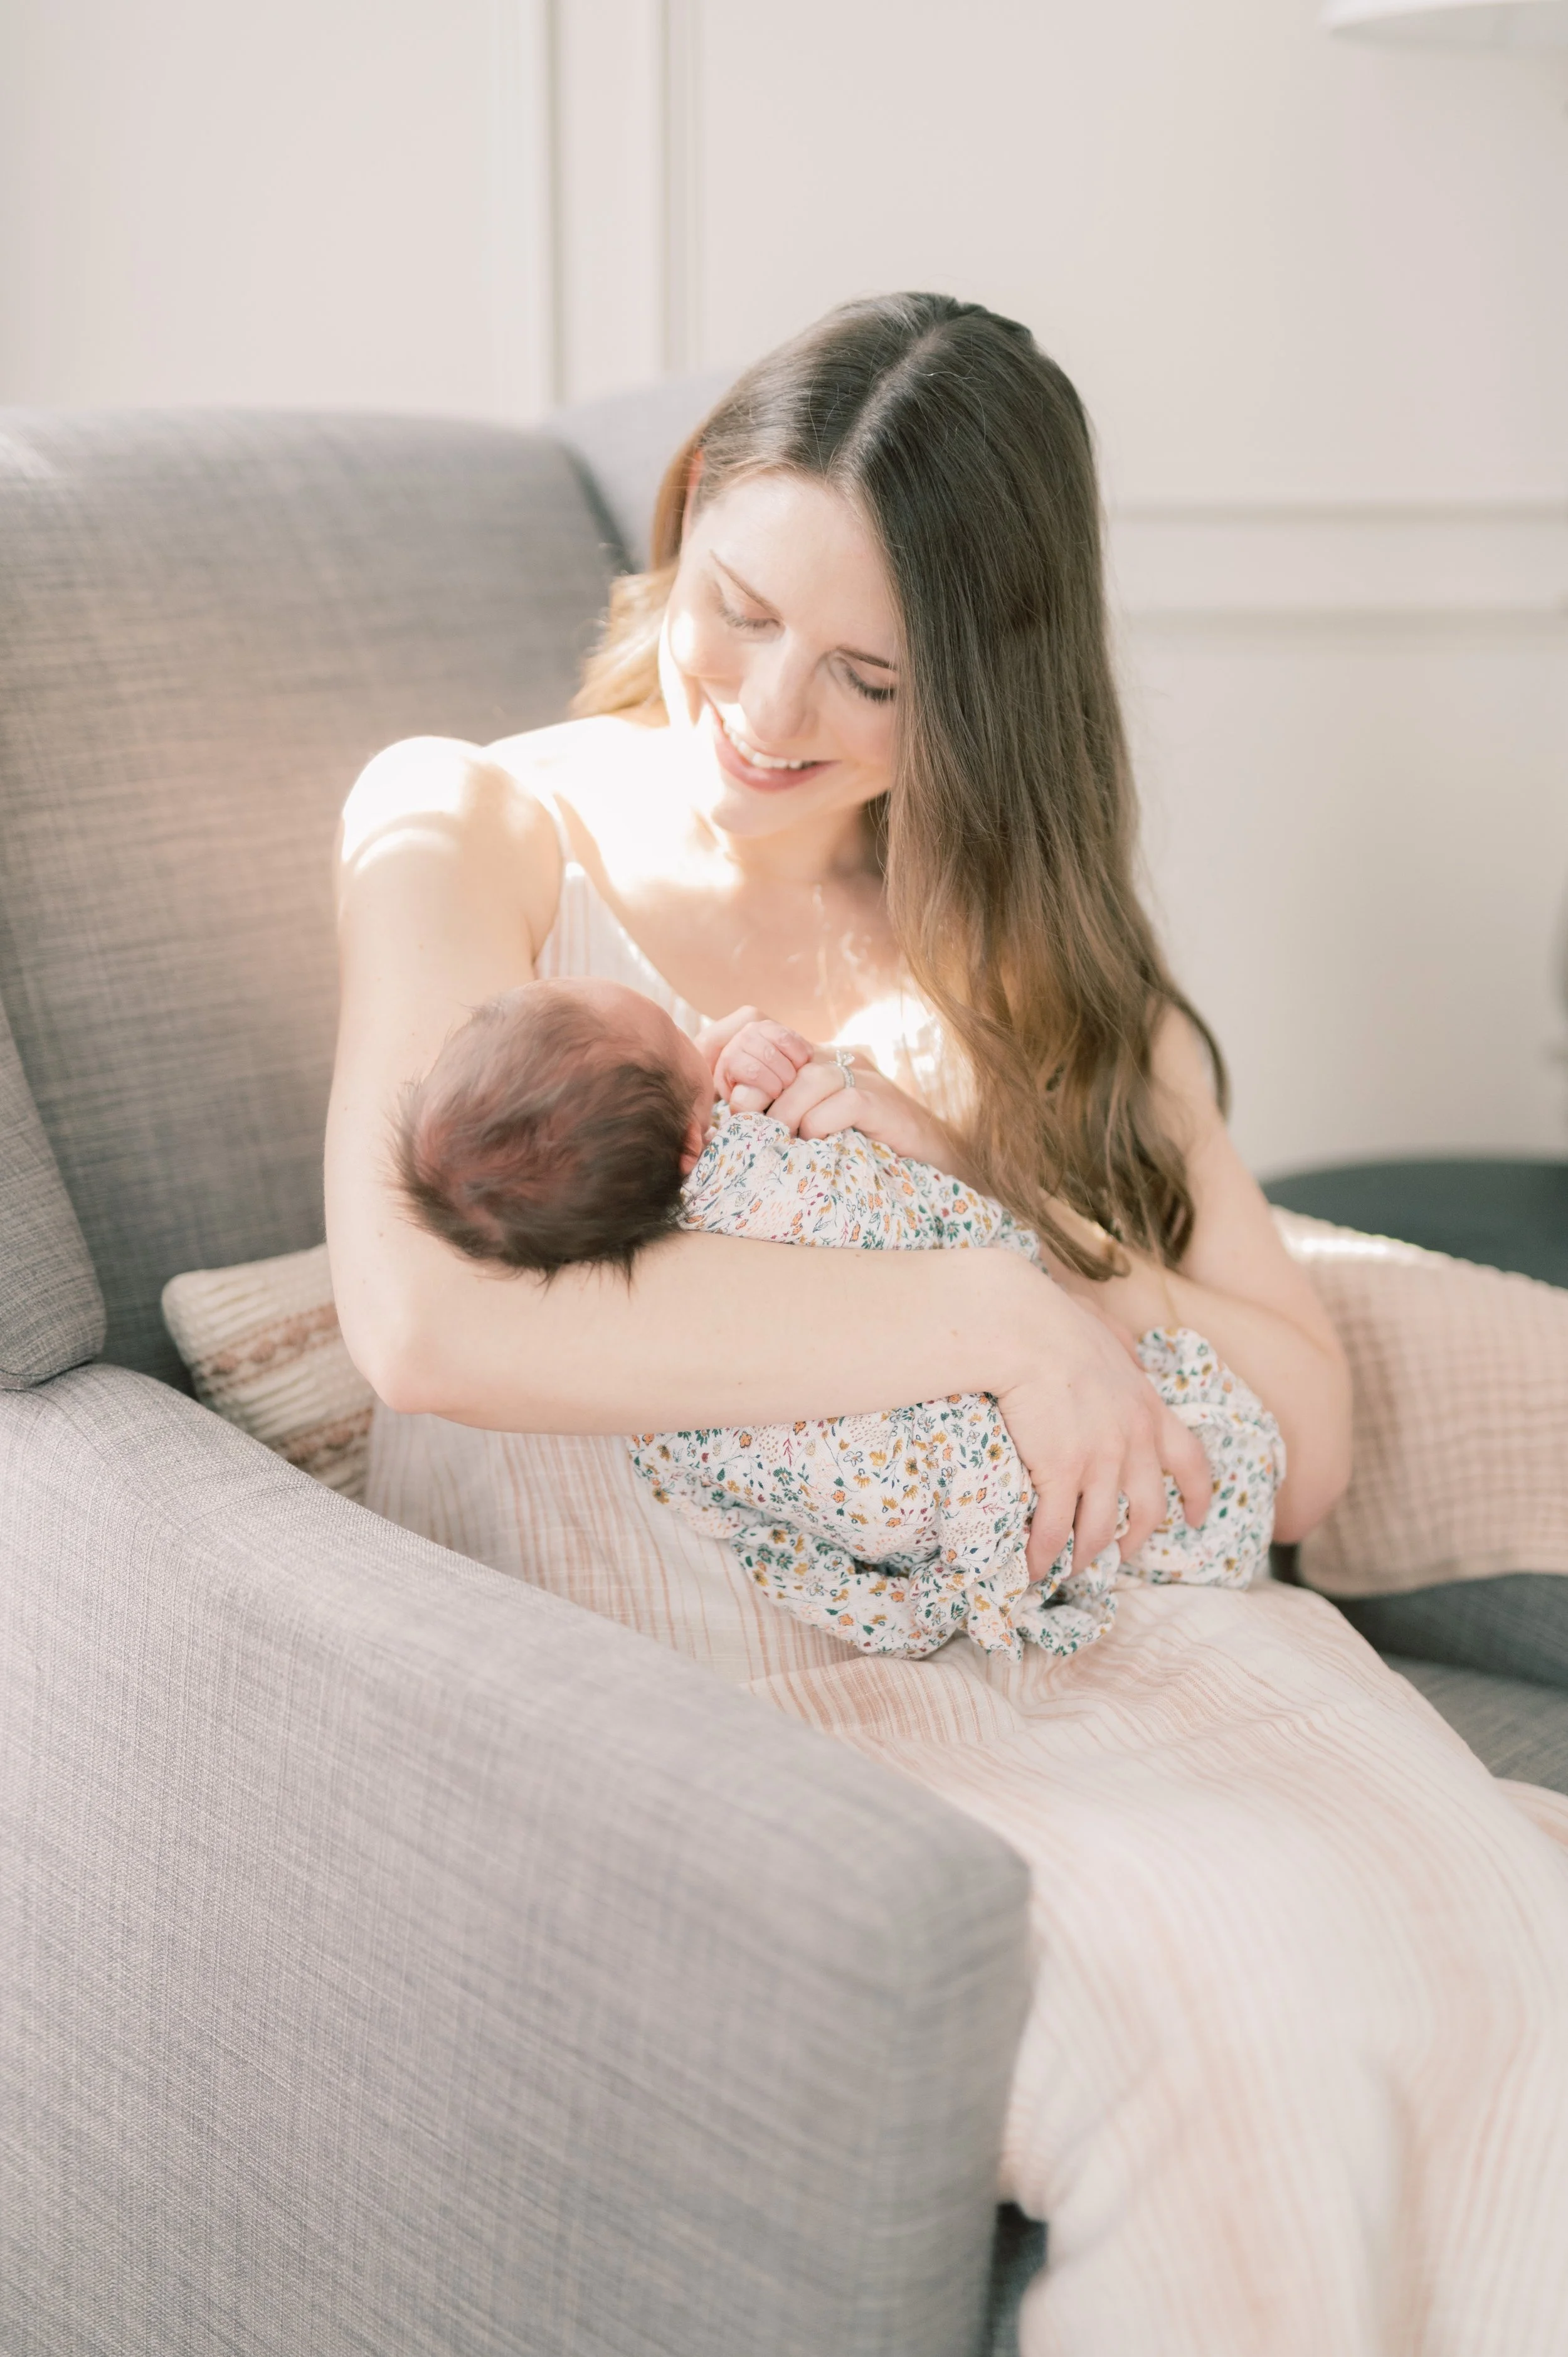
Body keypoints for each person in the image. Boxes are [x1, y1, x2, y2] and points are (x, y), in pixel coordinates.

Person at [328, 294, 1568, 2354]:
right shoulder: (473, 823)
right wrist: (981, 1308)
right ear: (684, 521)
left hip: (1084, 1621)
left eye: (870, 675)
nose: (762, 710)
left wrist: (1029, 1234)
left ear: (989, 689)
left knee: (1496, 1957)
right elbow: (425, 1313)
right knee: (1265, 2015)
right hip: (699, 1663)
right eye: (737, 609)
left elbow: (1301, 1431)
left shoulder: (1030, 958)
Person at [391, 975, 1285, 1660]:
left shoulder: (622, 1321)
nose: (715, 1028)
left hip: (905, 1523)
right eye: (682, 1037)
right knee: (1177, 1454)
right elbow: (918, 1213)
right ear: (696, 1142)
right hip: (997, 1437)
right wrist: (763, 1089)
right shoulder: (770, 1170)